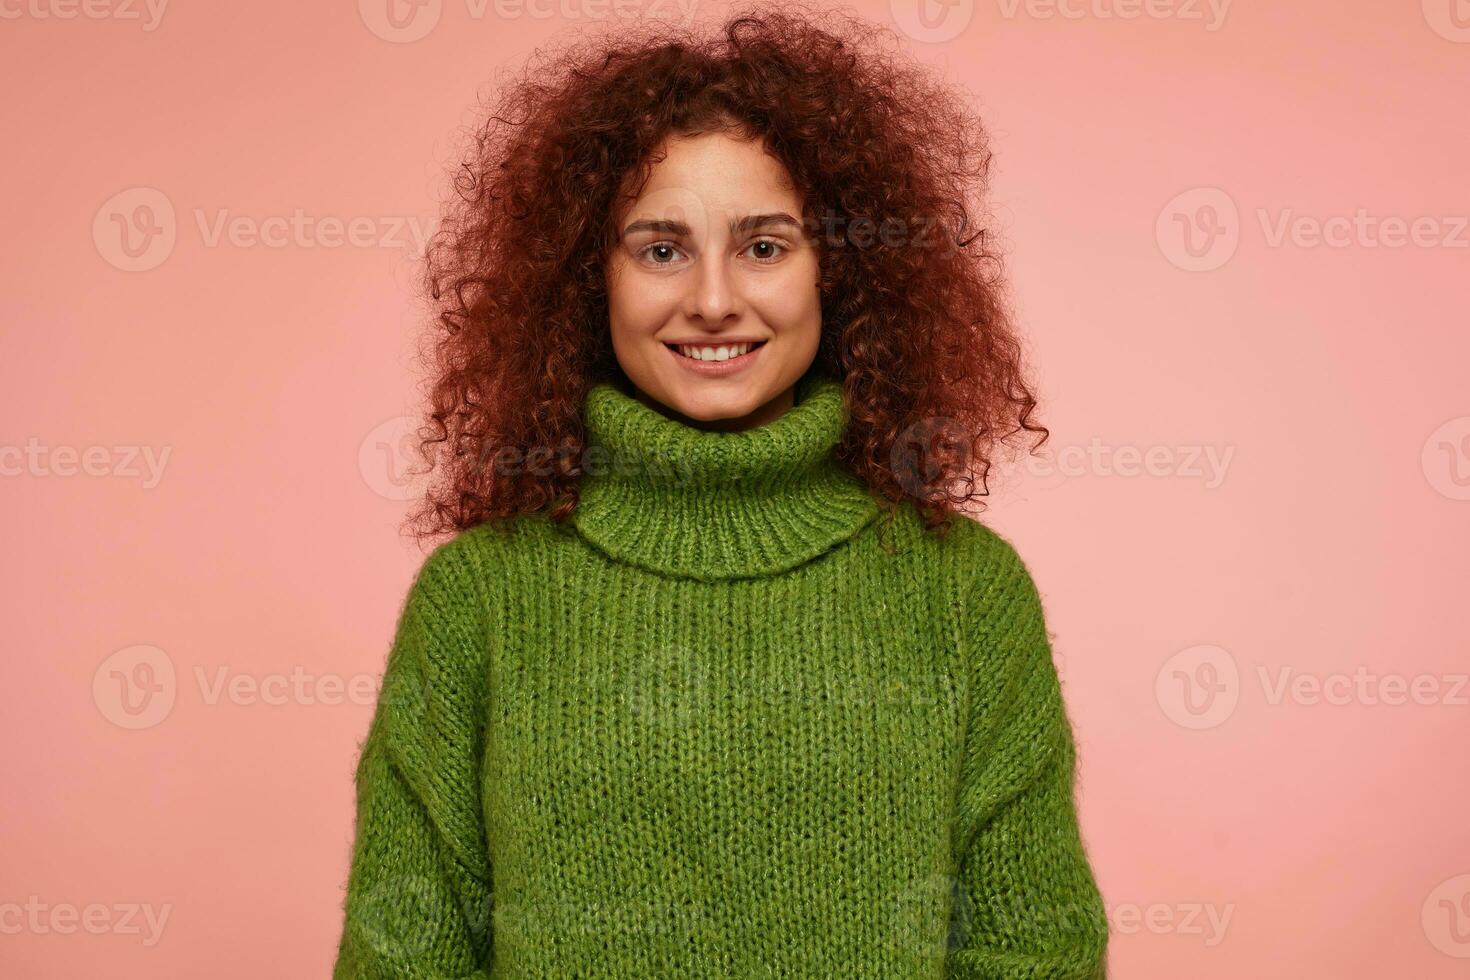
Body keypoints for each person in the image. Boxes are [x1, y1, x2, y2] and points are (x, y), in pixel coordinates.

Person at [332, 6, 1109, 978]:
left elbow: (1034, 948)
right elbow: (405, 954)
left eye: (765, 245)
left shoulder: (966, 593)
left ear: (844, 269)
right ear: (588, 280)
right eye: (660, 248)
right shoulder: (479, 599)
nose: (711, 297)